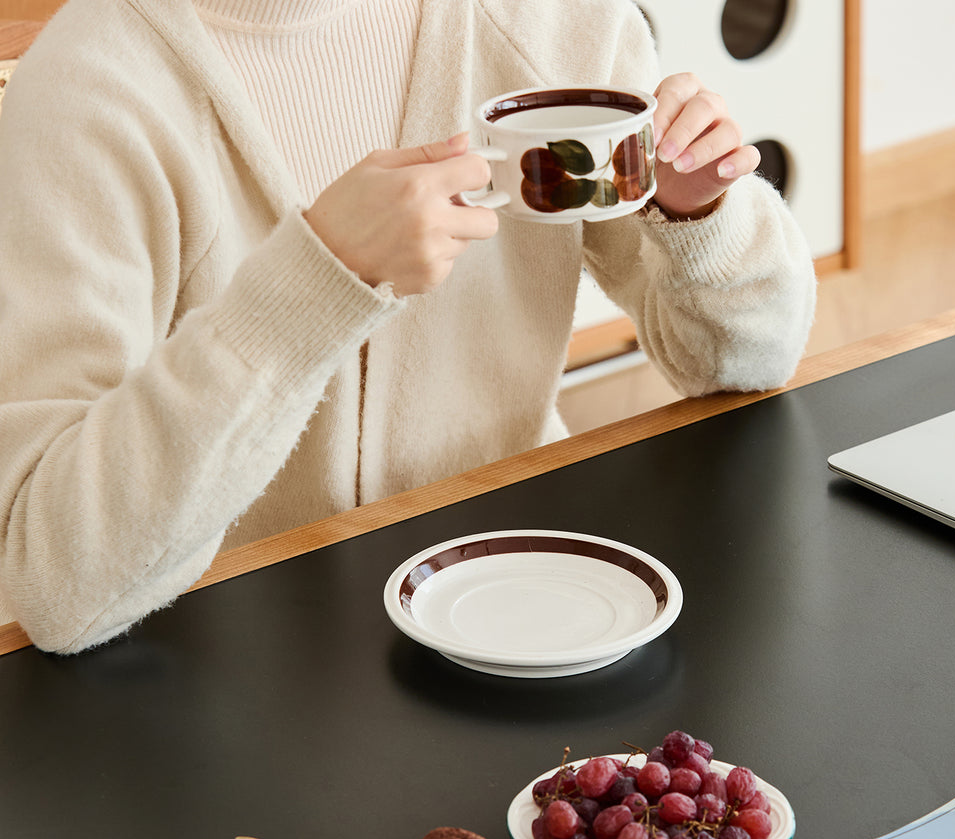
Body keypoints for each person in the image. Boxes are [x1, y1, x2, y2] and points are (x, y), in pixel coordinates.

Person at [0, 0, 816, 653]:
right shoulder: (86, 93)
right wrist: (313, 285)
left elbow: (750, 358)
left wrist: (701, 210)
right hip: (229, 667)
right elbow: (59, 585)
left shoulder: (555, 20)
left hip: (535, 618)